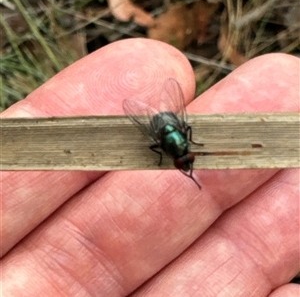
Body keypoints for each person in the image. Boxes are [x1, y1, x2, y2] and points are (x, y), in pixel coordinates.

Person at [1, 38, 299, 296]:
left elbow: (172, 139)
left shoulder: (178, 147)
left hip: (168, 126)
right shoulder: (179, 146)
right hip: (166, 126)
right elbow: (171, 139)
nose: (186, 163)